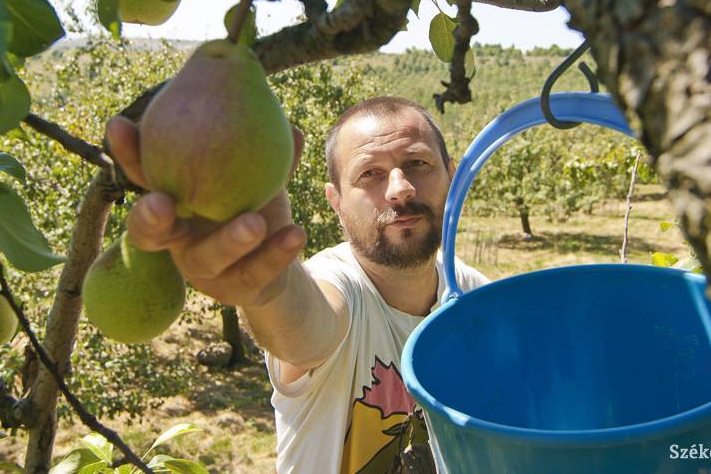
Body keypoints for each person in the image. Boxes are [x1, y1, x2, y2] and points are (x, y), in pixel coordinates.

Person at [106, 96, 489, 473]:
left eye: (417, 163)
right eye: (369, 173)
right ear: (336, 201)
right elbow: (306, 330)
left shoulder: (477, 299)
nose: (399, 188)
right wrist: (267, 285)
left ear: (452, 177)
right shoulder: (340, 284)